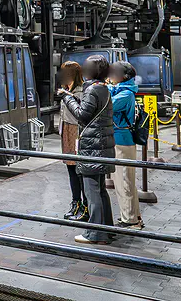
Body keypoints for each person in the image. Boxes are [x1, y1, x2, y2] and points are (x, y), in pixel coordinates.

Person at [61, 55, 115, 245]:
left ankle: (95, 234)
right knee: (100, 191)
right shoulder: (103, 88)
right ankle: (107, 230)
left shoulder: (92, 89)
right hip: (102, 146)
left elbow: (82, 115)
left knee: (92, 192)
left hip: (92, 147)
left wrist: (67, 98)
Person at [108, 61, 143, 230]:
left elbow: (108, 105)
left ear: (123, 76)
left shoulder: (126, 94)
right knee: (126, 181)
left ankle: (129, 220)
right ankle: (134, 217)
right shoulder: (122, 90)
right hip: (121, 140)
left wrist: (105, 88)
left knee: (124, 182)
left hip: (122, 141)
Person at [56, 61, 87, 221]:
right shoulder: (68, 90)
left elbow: (79, 114)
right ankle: (76, 203)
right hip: (67, 131)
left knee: (79, 171)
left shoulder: (81, 92)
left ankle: (85, 206)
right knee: (71, 170)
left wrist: (67, 96)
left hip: (76, 132)